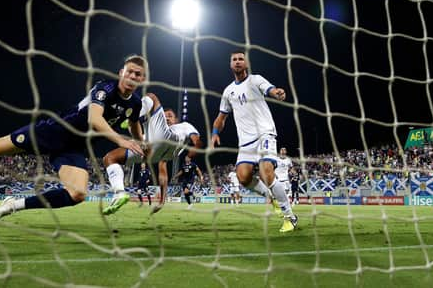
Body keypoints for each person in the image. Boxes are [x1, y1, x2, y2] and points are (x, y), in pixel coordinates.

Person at [0, 55, 147, 221]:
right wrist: (121, 140)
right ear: (121, 73)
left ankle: (12, 205)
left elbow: (134, 123)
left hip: (73, 148)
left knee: (77, 194)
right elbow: (94, 118)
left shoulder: (135, 103)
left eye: (138, 74)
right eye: (130, 72)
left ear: (142, 79)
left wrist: (143, 143)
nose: (133, 76)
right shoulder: (104, 89)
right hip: (52, 132)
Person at [211, 50, 298, 233]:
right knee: (243, 177)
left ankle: (289, 216)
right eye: (234, 59)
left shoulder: (255, 80)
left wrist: (276, 92)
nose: (237, 62)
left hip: (264, 133)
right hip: (246, 142)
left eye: (241, 59)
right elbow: (221, 117)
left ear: (246, 63)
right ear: (230, 64)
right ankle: (271, 196)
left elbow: (270, 89)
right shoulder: (228, 92)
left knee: (267, 173)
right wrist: (214, 133)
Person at [102, 96, 203, 215]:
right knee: (109, 158)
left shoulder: (184, 125)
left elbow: (197, 141)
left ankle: (132, 117)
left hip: (166, 138)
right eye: (165, 116)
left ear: (176, 119)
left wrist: (193, 151)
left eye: (170, 116)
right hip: (152, 148)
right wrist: (161, 201)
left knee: (153, 98)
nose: (167, 118)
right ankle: (119, 193)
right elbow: (163, 174)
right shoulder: (159, 128)